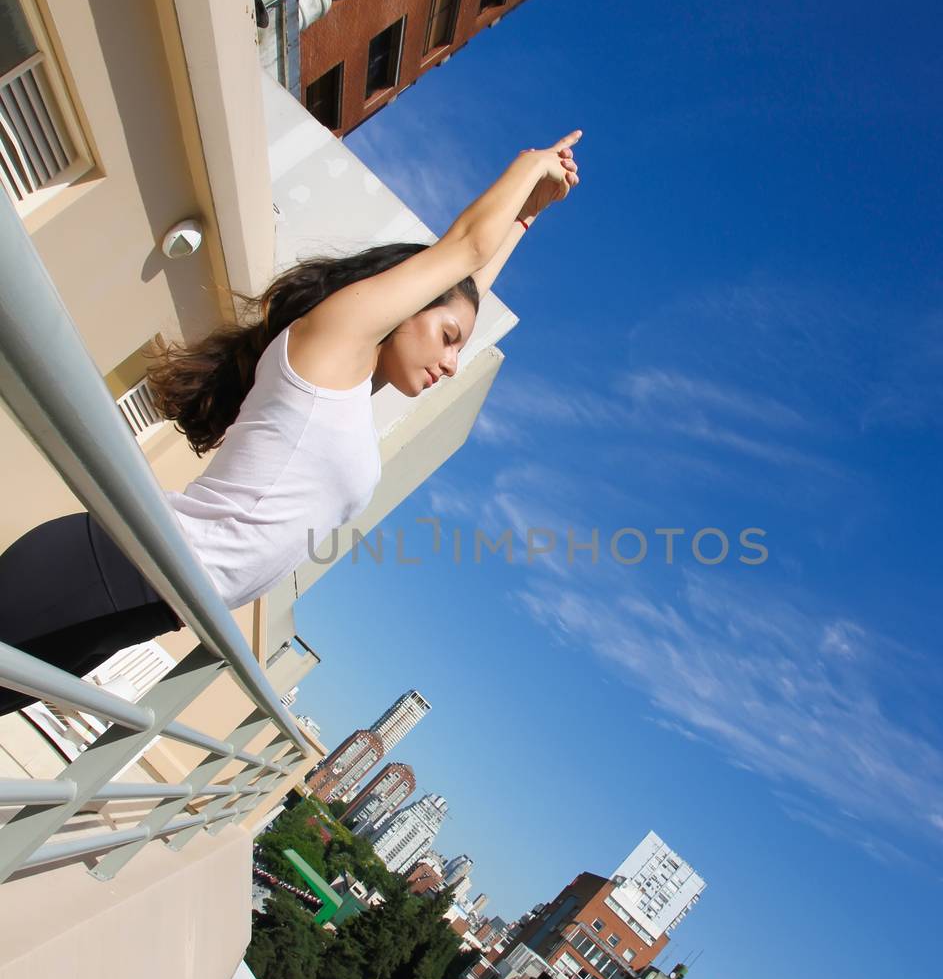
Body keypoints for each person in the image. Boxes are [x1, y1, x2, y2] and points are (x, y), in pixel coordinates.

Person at [0, 132, 581, 715]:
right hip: (109, 571)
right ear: (401, 306)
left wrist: (527, 219)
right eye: (449, 340)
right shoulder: (334, 343)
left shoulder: (353, 390)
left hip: (139, 605)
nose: (452, 364)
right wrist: (529, 170)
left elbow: (467, 284)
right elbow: (463, 252)